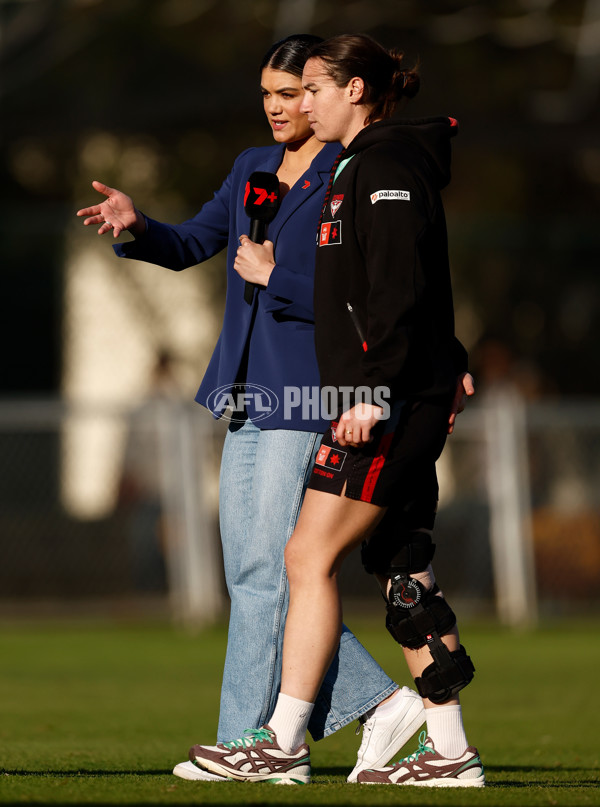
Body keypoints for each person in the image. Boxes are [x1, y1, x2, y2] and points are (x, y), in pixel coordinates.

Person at [77, 35, 474, 783]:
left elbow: (374, 287)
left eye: (292, 93)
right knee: (254, 573)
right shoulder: (252, 167)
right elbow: (197, 239)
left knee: (275, 568)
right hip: (248, 390)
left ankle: (257, 743)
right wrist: (136, 226)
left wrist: (279, 280)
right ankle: (379, 706)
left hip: (311, 391)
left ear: (330, 94)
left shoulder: (351, 163)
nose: (278, 106)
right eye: (267, 93)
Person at [189, 33, 484, 787]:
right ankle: (448, 751)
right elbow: (399, 286)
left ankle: (282, 740)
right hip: (393, 395)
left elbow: (395, 293)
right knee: (402, 567)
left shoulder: (381, 167)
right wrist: (447, 362)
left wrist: (370, 390)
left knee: (302, 558)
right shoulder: (360, 166)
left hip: (379, 404)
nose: (296, 102)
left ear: (354, 92)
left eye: (312, 87)